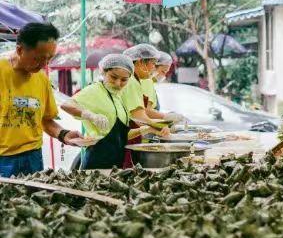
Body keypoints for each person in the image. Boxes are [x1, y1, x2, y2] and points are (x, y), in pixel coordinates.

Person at [0, 22, 82, 177]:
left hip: (33, 157)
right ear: (20, 50)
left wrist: (63, 134)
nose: (44, 65)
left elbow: (45, 120)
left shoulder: (42, 79)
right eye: (38, 59)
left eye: (49, 59)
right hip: (3, 159)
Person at [60, 54, 168, 170]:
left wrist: (148, 129)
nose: (118, 83)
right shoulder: (95, 90)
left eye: (124, 80)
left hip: (116, 165)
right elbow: (66, 105)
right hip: (96, 163)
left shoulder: (118, 96)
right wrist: (90, 115)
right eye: (113, 77)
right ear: (103, 72)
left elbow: (120, 136)